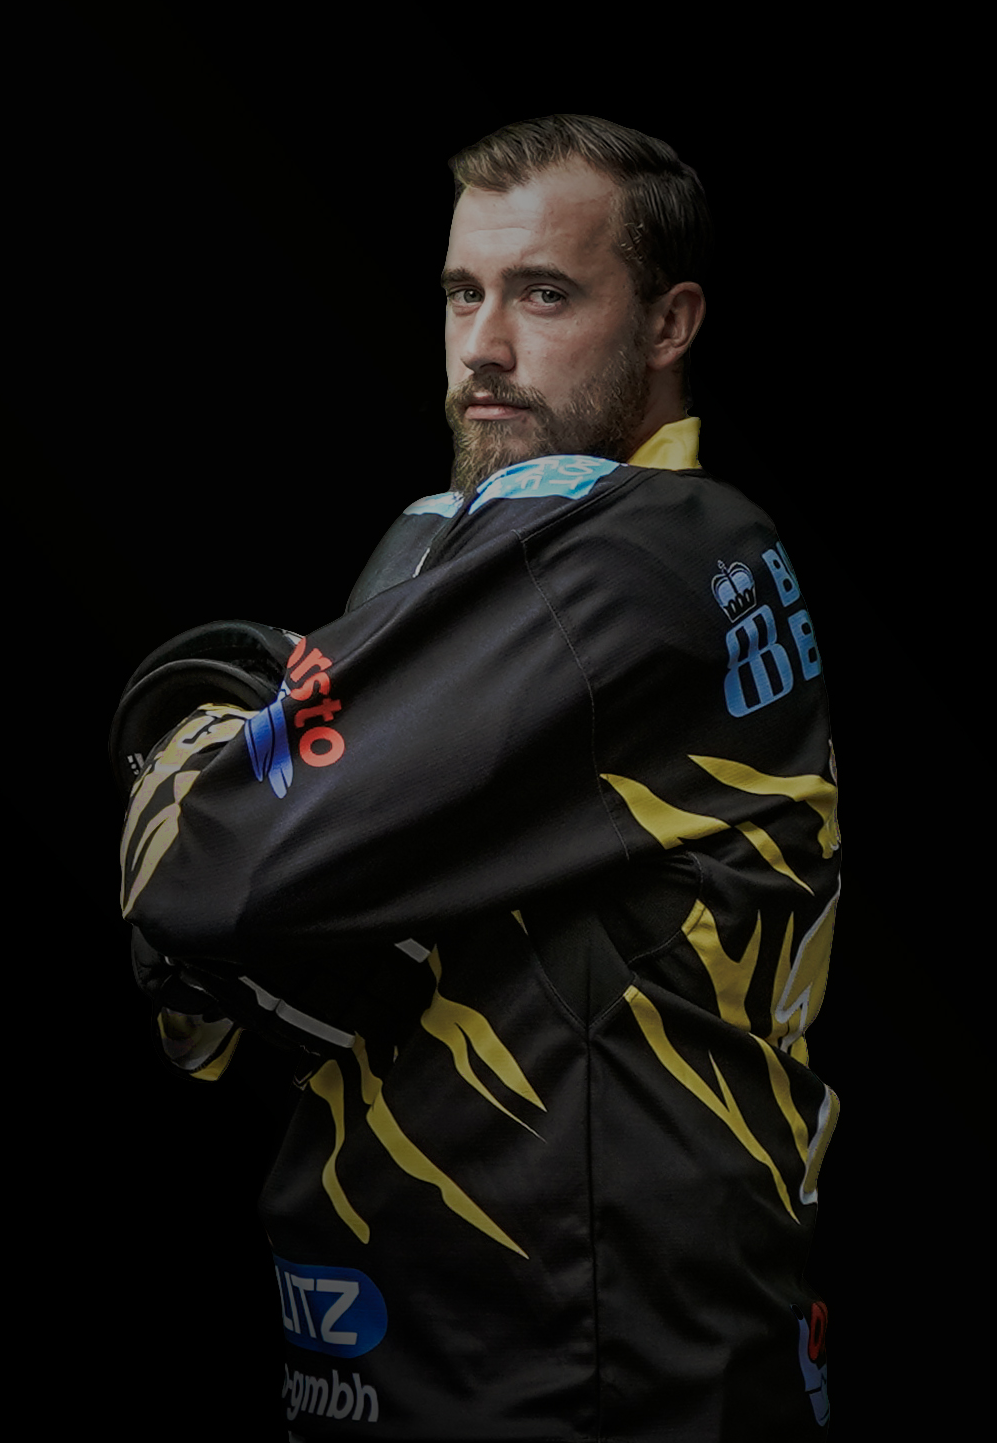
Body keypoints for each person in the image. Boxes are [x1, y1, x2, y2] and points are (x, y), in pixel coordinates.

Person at [115, 114, 840, 1441]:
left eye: (544, 294)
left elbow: (212, 877)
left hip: (574, 1371)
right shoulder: (515, 542)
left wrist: (189, 742)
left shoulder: (630, 553)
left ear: (669, 323)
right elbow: (240, 966)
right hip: (483, 1340)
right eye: (463, 293)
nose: (483, 347)